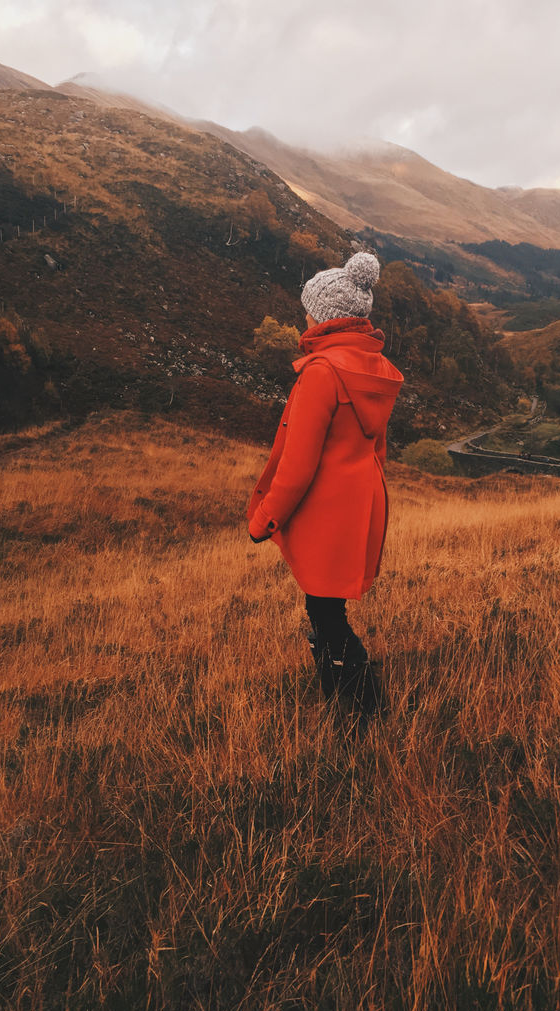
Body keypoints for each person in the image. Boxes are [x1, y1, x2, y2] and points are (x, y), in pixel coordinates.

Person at [247, 251, 403, 734]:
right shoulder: (374, 366)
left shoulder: (321, 373)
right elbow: (377, 450)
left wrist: (264, 519)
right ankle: (345, 702)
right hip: (360, 506)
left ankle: (363, 710)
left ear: (326, 316)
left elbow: (297, 466)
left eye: (309, 308)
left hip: (325, 511)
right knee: (326, 609)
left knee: (325, 614)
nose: (305, 315)